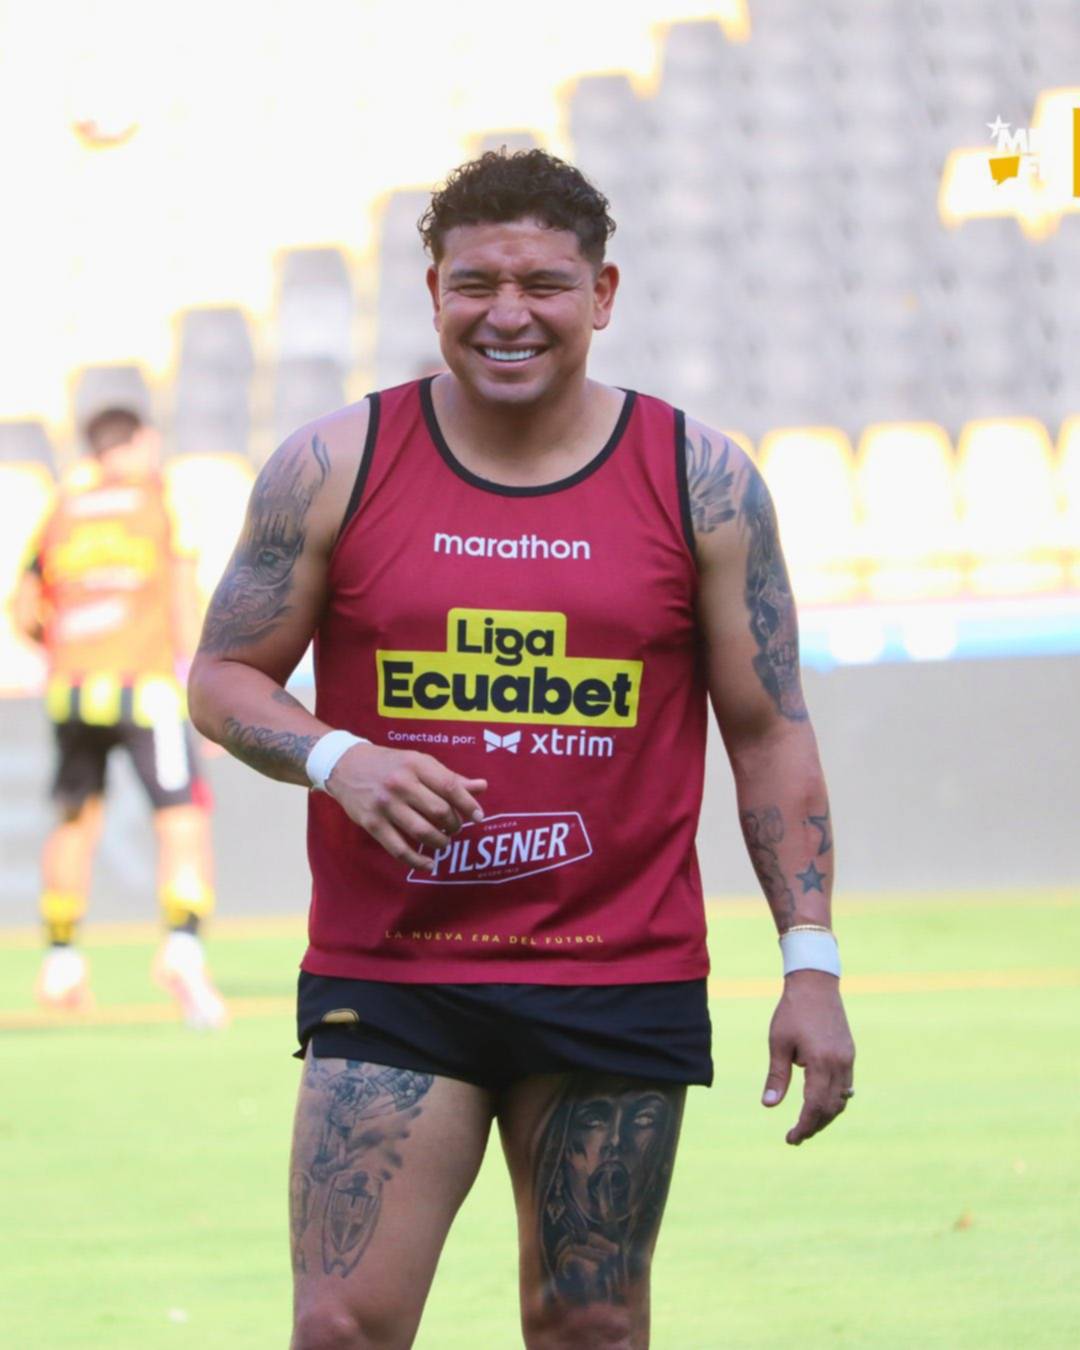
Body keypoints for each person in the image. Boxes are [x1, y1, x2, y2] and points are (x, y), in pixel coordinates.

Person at [188, 148, 855, 1348]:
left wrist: (811, 964)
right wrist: (340, 759)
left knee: (589, 1328)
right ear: (432, 291)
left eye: (543, 284)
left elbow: (768, 730)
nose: (508, 314)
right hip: (395, 973)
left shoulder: (701, 480)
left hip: (617, 974)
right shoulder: (334, 463)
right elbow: (221, 674)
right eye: (476, 283)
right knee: (339, 1327)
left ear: (602, 294)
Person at [13, 407, 227, 1030]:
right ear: (139, 443)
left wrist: (64, 646)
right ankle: (182, 951)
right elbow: (182, 602)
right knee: (182, 817)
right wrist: (205, 691)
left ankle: (60, 962)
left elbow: (24, 609)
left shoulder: (63, 511)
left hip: (73, 690)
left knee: (74, 821)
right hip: (146, 688)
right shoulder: (159, 503)